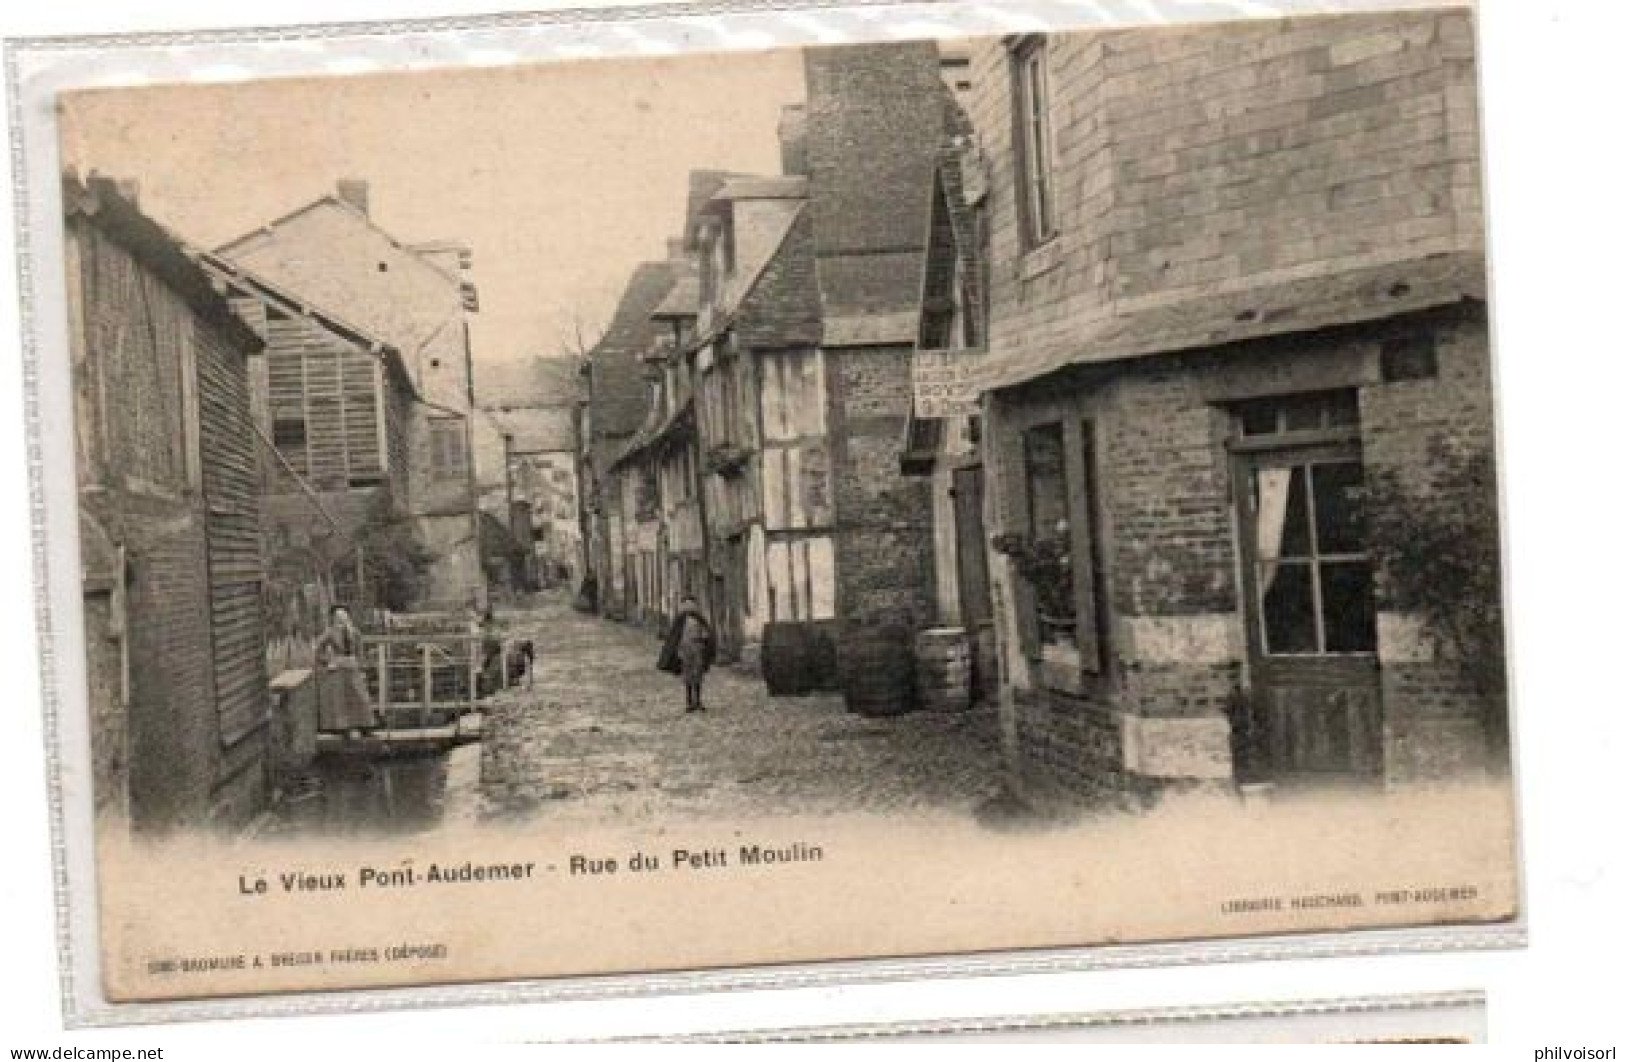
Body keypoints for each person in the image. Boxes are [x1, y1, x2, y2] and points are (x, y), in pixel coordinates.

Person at [315, 605, 379, 740]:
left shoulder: (355, 632)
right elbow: (318, 650)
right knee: (340, 699)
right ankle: (343, 728)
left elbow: (360, 652)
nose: (342, 619)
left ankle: (365, 726)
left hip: (353, 665)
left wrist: (362, 669)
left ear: (348, 617)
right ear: (334, 619)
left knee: (360, 697)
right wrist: (328, 661)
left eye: (344, 616)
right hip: (338, 667)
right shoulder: (330, 632)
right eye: (339, 617)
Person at [658, 595, 715, 713]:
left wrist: (705, 640)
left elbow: (707, 635)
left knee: (698, 676)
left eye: (692, 604)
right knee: (687, 676)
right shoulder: (680, 620)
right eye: (687, 604)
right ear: (683, 605)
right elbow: (673, 638)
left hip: (697, 650)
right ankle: (689, 702)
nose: (689, 606)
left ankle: (698, 701)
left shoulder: (700, 619)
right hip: (685, 651)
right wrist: (676, 651)